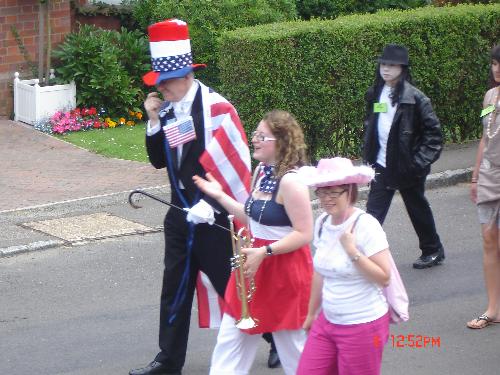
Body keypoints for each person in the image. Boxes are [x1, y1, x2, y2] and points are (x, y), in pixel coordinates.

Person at [129, 19, 252, 375]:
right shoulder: (166, 110)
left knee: (232, 285)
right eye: (158, 84)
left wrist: (211, 205)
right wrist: (152, 121)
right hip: (179, 216)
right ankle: (168, 361)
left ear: (184, 76)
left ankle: (273, 335)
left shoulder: (218, 109)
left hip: (212, 218)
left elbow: (236, 167)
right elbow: (157, 160)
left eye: (164, 83)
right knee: (174, 288)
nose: (161, 89)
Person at [193, 110, 313, 375]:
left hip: (284, 270)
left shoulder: (292, 182)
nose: (254, 140)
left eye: (262, 136)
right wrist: (220, 196)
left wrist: (266, 251)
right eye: (255, 134)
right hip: (252, 269)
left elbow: (305, 233)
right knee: (230, 342)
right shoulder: (261, 171)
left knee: (294, 350)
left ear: (280, 142)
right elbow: (252, 220)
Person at [296, 157, 391, 375]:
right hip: (327, 321)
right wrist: (311, 314)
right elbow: (320, 273)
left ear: (349, 191)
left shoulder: (366, 226)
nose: (326, 198)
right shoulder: (322, 223)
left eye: (333, 192)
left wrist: (353, 252)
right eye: (321, 192)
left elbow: (384, 277)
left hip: (363, 325)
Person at [362, 43, 445, 269]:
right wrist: (368, 155)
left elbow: (434, 136)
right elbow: (373, 126)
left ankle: (433, 250)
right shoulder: (376, 93)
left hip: (407, 166)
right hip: (381, 164)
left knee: (417, 208)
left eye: (391, 65)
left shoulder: (416, 98)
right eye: (383, 64)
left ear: (403, 68)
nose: (385, 69)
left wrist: (417, 164)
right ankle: (363, 256)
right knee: (372, 214)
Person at [466, 44, 500, 329]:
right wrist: (476, 176)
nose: (496, 68)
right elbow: (484, 137)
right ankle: (493, 309)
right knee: (489, 239)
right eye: (493, 63)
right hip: (489, 175)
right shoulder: (489, 96)